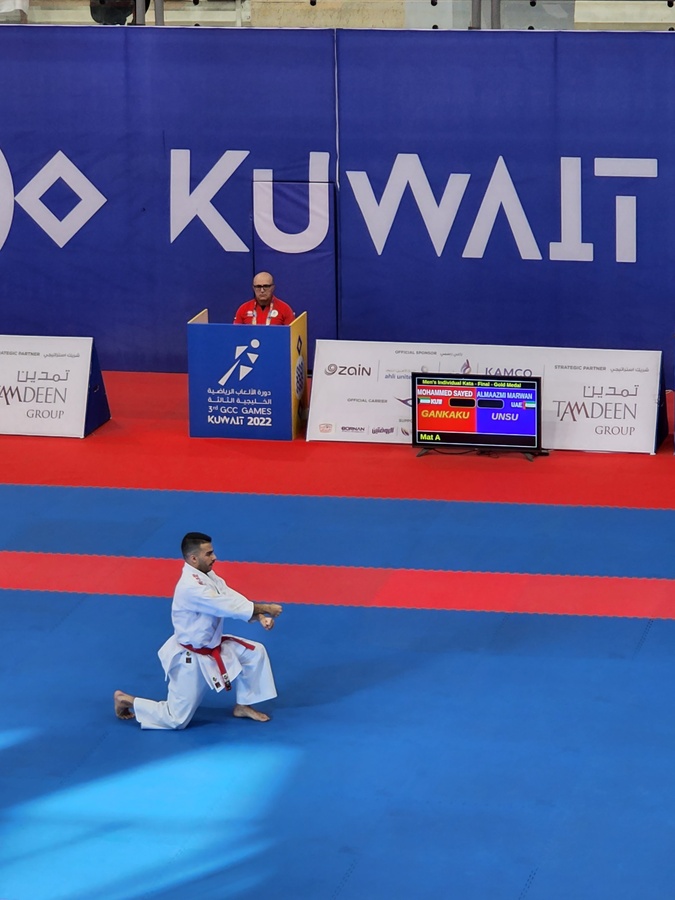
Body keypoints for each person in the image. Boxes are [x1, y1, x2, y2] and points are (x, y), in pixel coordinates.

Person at [114, 532, 282, 729]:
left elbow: (229, 596)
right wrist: (266, 607)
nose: (215, 557)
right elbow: (224, 605)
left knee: (255, 652)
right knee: (176, 719)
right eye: (209, 554)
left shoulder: (206, 574)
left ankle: (243, 705)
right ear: (193, 558)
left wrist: (259, 615)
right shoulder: (190, 586)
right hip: (191, 658)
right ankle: (126, 700)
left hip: (213, 646)